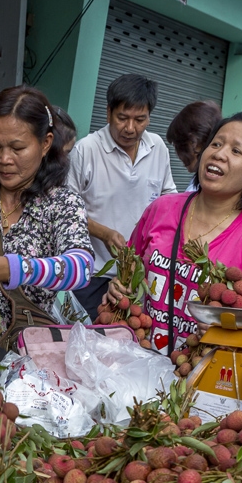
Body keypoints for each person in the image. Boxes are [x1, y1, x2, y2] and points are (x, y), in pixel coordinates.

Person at [105, 112, 242, 355]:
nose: (219, 154)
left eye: (236, 151)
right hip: (134, 363)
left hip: (199, 380)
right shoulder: (162, 209)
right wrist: (118, 288)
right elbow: (130, 268)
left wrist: (225, 334)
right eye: (216, 143)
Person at [0, 86, 93, 334]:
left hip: (22, 356)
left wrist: (11, 268)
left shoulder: (61, 203)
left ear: (45, 144)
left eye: (17, 149)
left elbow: (81, 267)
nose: (5, 159)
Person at [67, 73, 175, 315]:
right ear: (108, 113)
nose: (130, 128)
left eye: (140, 119)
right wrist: (104, 233)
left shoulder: (157, 147)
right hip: (93, 275)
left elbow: (168, 202)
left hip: (139, 277)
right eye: (122, 118)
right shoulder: (86, 150)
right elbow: (66, 212)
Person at [166, 100, 222, 191]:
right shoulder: (200, 181)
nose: (178, 154)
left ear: (195, 143)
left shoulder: (206, 188)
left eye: (178, 145)